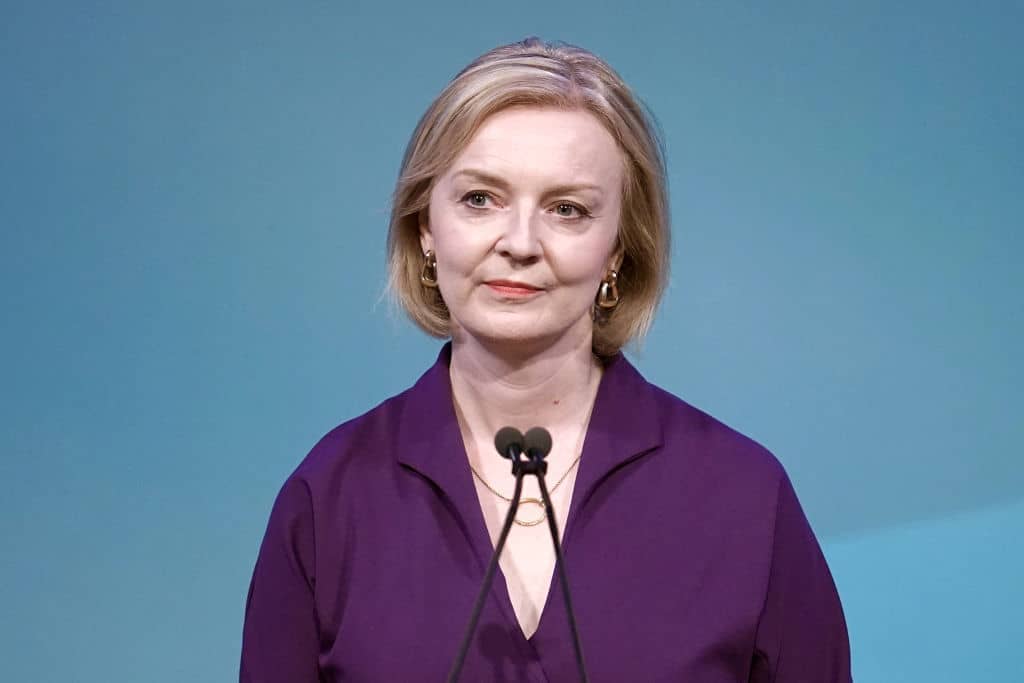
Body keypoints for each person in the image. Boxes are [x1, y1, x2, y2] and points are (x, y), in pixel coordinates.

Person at [240, 37, 852, 682]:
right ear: (425, 228)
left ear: (618, 249)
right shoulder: (331, 496)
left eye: (567, 210)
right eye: (481, 199)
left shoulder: (743, 496)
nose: (520, 243)